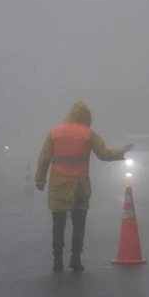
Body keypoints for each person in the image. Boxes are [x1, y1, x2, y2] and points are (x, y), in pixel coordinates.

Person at [35, 100, 132, 272]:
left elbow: (44, 158)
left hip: (59, 185)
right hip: (80, 185)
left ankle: (57, 260)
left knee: (58, 224)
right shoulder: (88, 134)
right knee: (79, 224)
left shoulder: (55, 132)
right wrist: (121, 151)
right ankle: (76, 259)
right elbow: (104, 154)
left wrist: (39, 180)